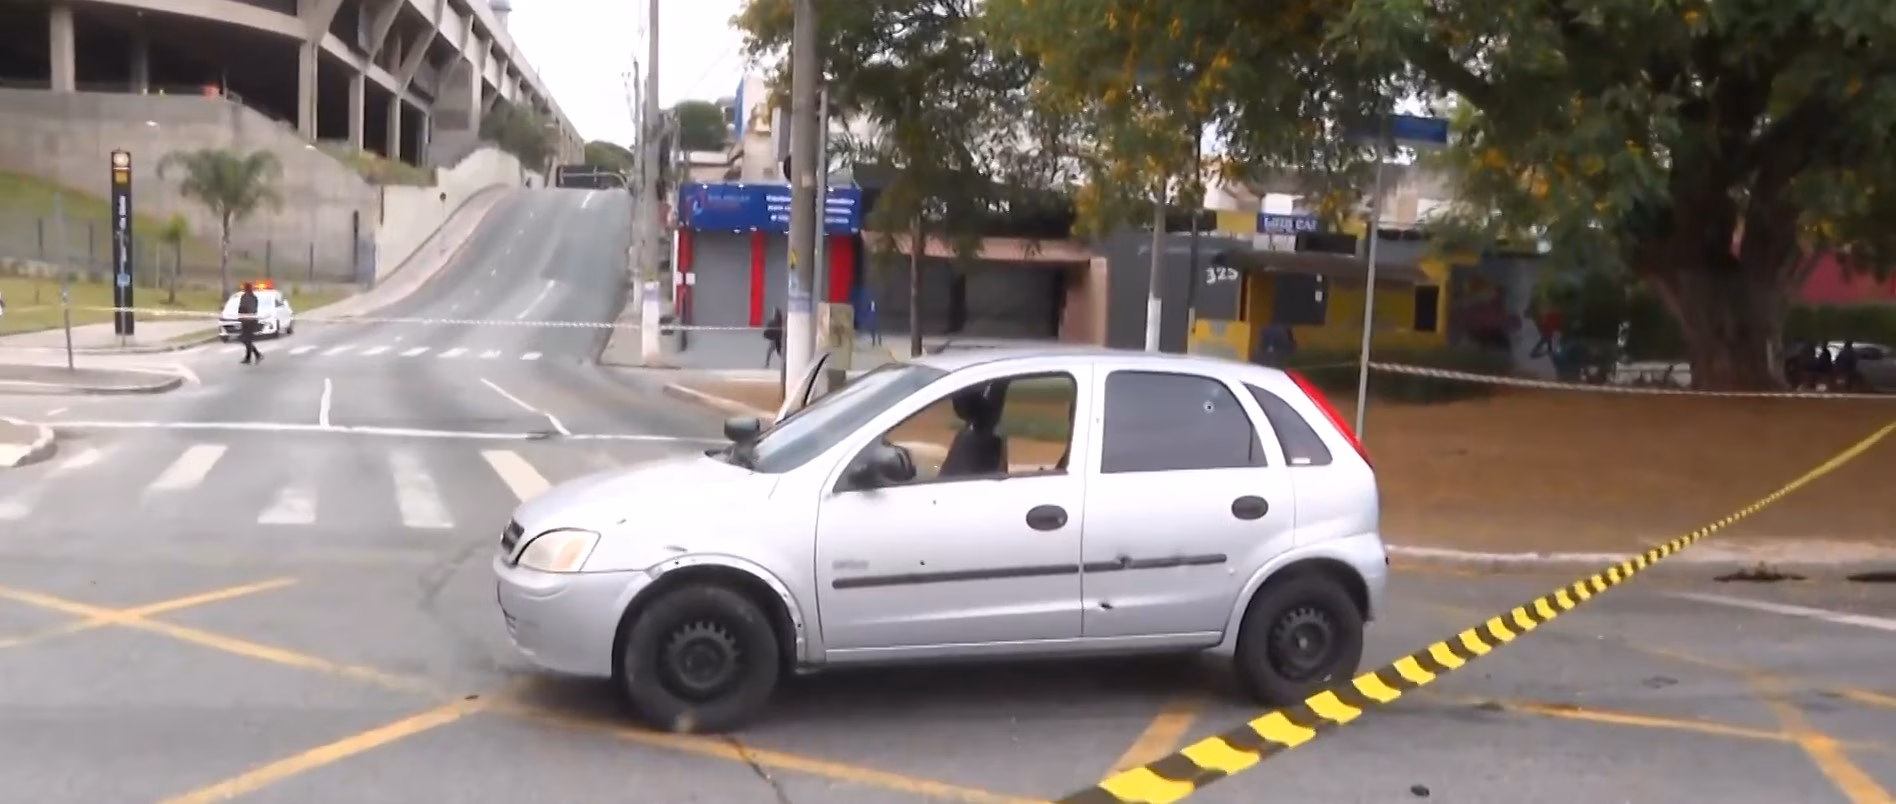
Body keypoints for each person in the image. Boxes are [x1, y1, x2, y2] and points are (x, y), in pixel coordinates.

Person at [236, 281, 264, 365]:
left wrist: (244, 315)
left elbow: (248, 308)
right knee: (247, 339)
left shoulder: (249, 297)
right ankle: (252, 356)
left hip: (249, 321)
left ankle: (255, 355)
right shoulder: (249, 296)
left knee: (245, 339)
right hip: (246, 320)